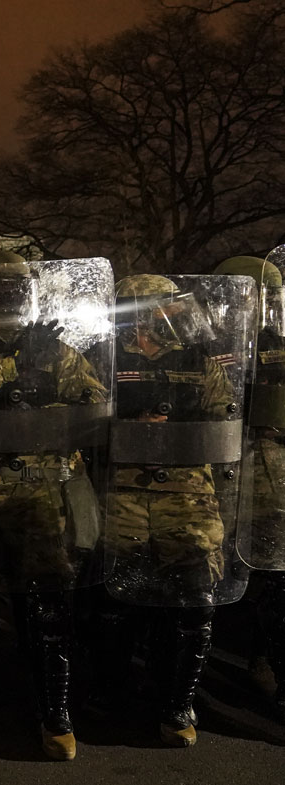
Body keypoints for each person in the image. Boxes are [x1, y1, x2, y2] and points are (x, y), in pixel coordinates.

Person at [0, 252, 110, 759]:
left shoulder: (55, 351)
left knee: (44, 601)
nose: (8, 301)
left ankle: (53, 709)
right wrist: (14, 368)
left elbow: (94, 404)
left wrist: (45, 409)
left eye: (16, 292)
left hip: (38, 485)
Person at [96, 273, 245, 746]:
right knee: (119, 599)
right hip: (125, 493)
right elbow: (82, 417)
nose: (155, 321)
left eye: (163, 310)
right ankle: (112, 693)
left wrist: (177, 423)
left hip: (188, 494)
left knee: (194, 600)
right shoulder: (108, 360)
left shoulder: (201, 359)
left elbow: (225, 415)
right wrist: (128, 423)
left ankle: (177, 703)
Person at [213, 255, 285, 720]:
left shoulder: (278, 345)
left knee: (276, 575)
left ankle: (268, 661)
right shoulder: (206, 345)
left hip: (273, 477)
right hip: (221, 473)